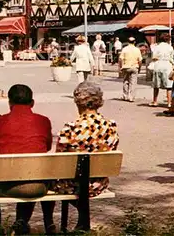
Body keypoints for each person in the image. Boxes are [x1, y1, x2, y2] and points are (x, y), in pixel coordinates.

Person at [0, 84, 55, 235]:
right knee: (32, 174)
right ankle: (21, 222)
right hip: (37, 186)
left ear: (9, 103)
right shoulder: (43, 121)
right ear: (32, 103)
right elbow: (46, 147)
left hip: (4, 185)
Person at [43, 82, 119, 229]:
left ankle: (49, 223)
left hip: (72, 185)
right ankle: (82, 219)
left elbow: (59, 159)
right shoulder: (111, 126)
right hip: (98, 183)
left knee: (45, 179)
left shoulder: (71, 128)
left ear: (78, 102)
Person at [149, 34, 174, 107]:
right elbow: (172, 57)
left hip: (158, 65)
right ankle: (169, 102)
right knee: (169, 85)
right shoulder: (170, 47)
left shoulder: (157, 47)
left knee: (156, 85)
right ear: (168, 40)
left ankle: (155, 101)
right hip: (167, 65)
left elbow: (154, 57)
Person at [119, 37, 142, 102]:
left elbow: (120, 59)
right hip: (134, 67)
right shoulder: (137, 49)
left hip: (126, 67)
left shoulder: (124, 49)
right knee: (133, 83)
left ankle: (125, 96)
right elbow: (140, 60)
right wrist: (139, 68)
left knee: (125, 81)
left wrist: (121, 67)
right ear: (134, 42)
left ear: (128, 42)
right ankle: (131, 97)